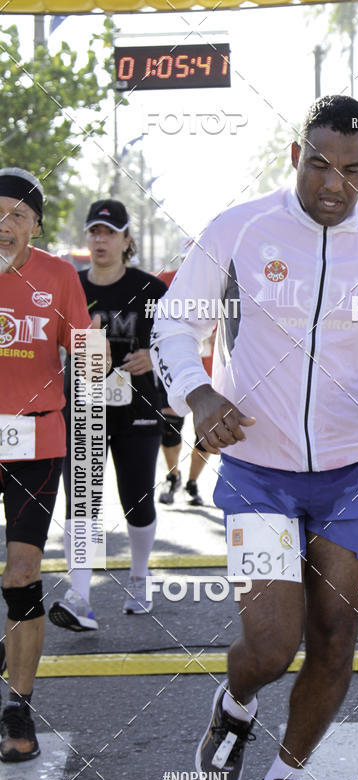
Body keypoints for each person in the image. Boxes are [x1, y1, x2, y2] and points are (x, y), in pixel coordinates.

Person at [151, 96, 358, 780]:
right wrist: (199, 393)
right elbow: (175, 322)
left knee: (335, 636)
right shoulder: (239, 229)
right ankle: (236, 704)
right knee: (270, 645)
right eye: (319, 164)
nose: (332, 184)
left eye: (350, 170)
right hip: (259, 471)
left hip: (355, 472)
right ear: (296, 157)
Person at [0, 168, 102, 760]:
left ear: (35, 226)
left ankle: (19, 704)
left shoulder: (58, 276)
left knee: (21, 572)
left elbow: (83, 352)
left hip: (36, 441)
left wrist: (95, 358)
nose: (5, 224)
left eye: (18, 214)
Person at [49, 200, 167, 631]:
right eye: (94, 231)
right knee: (81, 501)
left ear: (126, 240)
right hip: (83, 404)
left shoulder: (151, 289)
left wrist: (152, 356)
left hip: (138, 407)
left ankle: (139, 576)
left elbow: (180, 339)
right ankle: (80, 598)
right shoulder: (70, 284)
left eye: (110, 233)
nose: (100, 240)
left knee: (137, 499)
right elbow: (49, 341)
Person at [156, 245, 213, 507]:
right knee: (170, 426)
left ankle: (192, 483)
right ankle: (173, 476)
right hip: (174, 367)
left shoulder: (223, 284)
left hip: (210, 368)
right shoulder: (163, 282)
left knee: (208, 432)